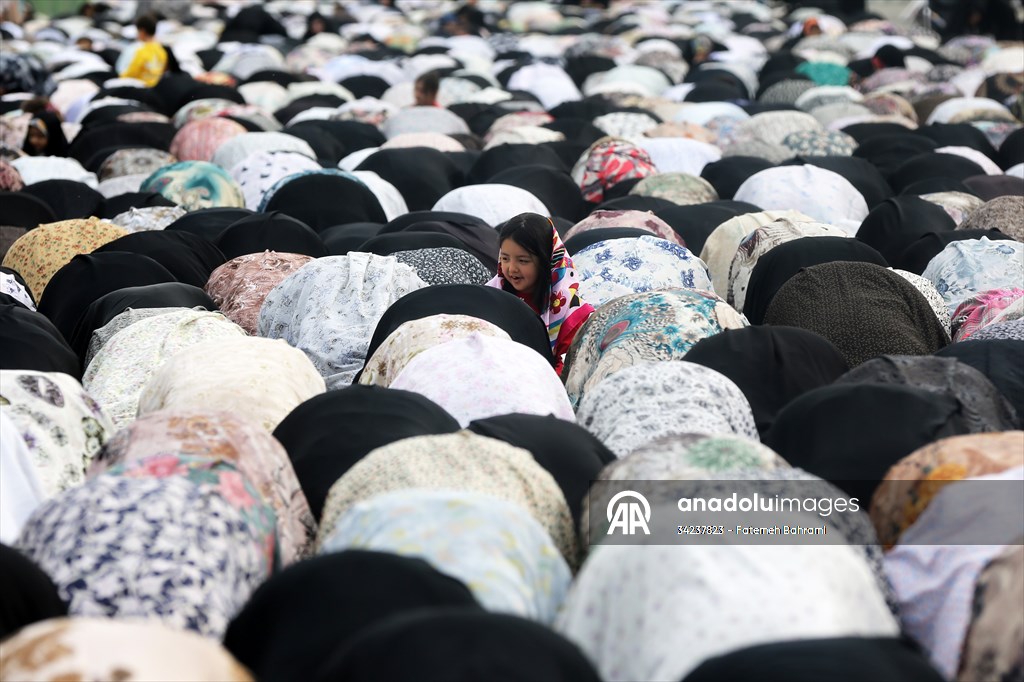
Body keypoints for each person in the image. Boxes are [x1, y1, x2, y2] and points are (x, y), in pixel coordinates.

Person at [487, 212, 595, 374]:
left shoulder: (573, 314)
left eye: (523, 260)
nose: (511, 268)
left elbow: (570, 371)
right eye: (505, 258)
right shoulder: (490, 296)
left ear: (547, 261)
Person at [120, 14, 167, 87]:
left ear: (142, 31)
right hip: (153, 88)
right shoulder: (162, 51)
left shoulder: (141, 51)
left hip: (138, 88)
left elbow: (130, 73)